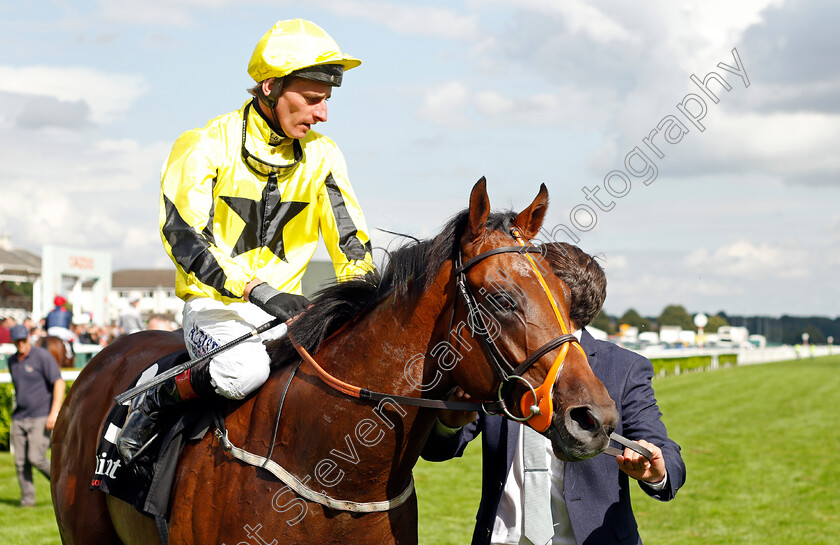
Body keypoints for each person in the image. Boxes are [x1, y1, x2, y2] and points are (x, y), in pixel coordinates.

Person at [116, 18, 375, 463]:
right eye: (312, 100)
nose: (322, 114)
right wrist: (255, 290)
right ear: (271, 87)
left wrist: (363, 299)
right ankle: (156, 397)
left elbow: (352, 243)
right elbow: (184, 239)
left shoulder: (324, 156)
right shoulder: (204, 145)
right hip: (216, 310)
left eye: (327, 101)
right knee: (243, 371)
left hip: (289, 314)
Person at [422, 243, 686, 545]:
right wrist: (450, 421)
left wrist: (657, 471)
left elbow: (665, 453)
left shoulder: (625, 368)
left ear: (554, 297)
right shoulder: (502, 362)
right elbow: (438, 449)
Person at [7, 324, 66, 507]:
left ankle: (64, 488)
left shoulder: (42, 357)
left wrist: (54, 412)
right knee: (20, 461)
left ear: (28, 338)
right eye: (17, 341)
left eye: (24, 340)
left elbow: (59, 383)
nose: (21, 344)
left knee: (36, 457)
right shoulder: (12, 361)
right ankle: (27, 501)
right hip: (19, 417)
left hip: (41, 415)